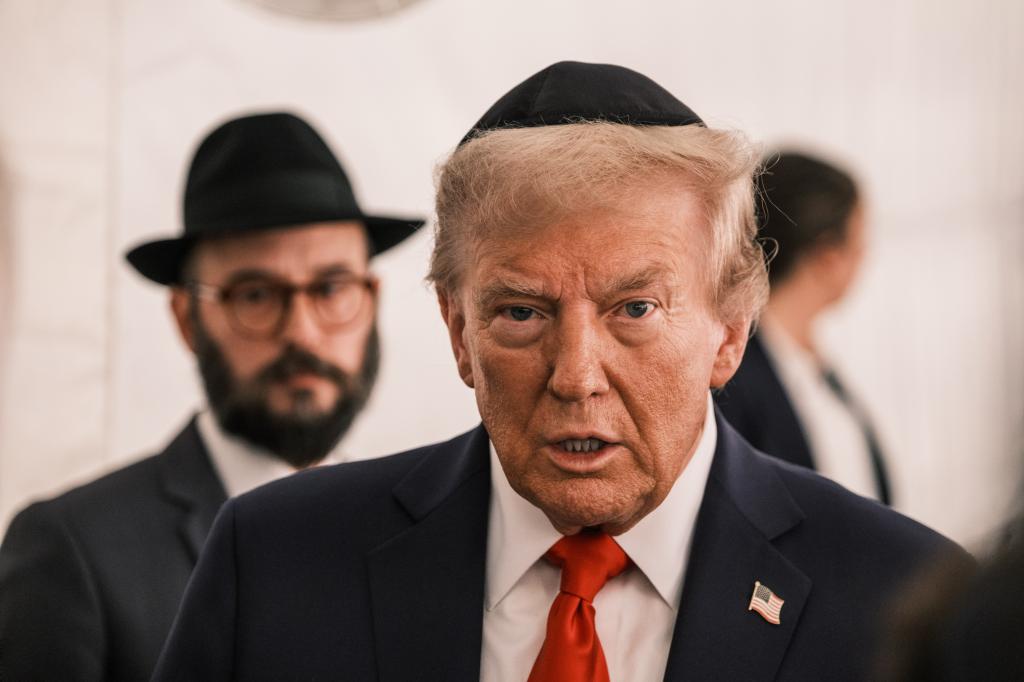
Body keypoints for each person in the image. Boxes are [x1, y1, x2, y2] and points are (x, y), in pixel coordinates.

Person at [153, 63, 962, 682]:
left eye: (635, 310)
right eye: (521, 313)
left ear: (730, 332)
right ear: (456, 331)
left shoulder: (907, 601)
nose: (576, 377)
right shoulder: (273, 564)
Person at [0, 111, 422, 682]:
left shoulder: (422, 537)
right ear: (187, 319)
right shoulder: (73, 552)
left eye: (330, 288)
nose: (301, 331)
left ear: (371, 298)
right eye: (254, 294)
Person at [715, 150, 893, 504]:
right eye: (859, 240)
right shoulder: (737, 376)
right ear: (828, 254)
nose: (865, 256)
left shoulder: (816, 369)